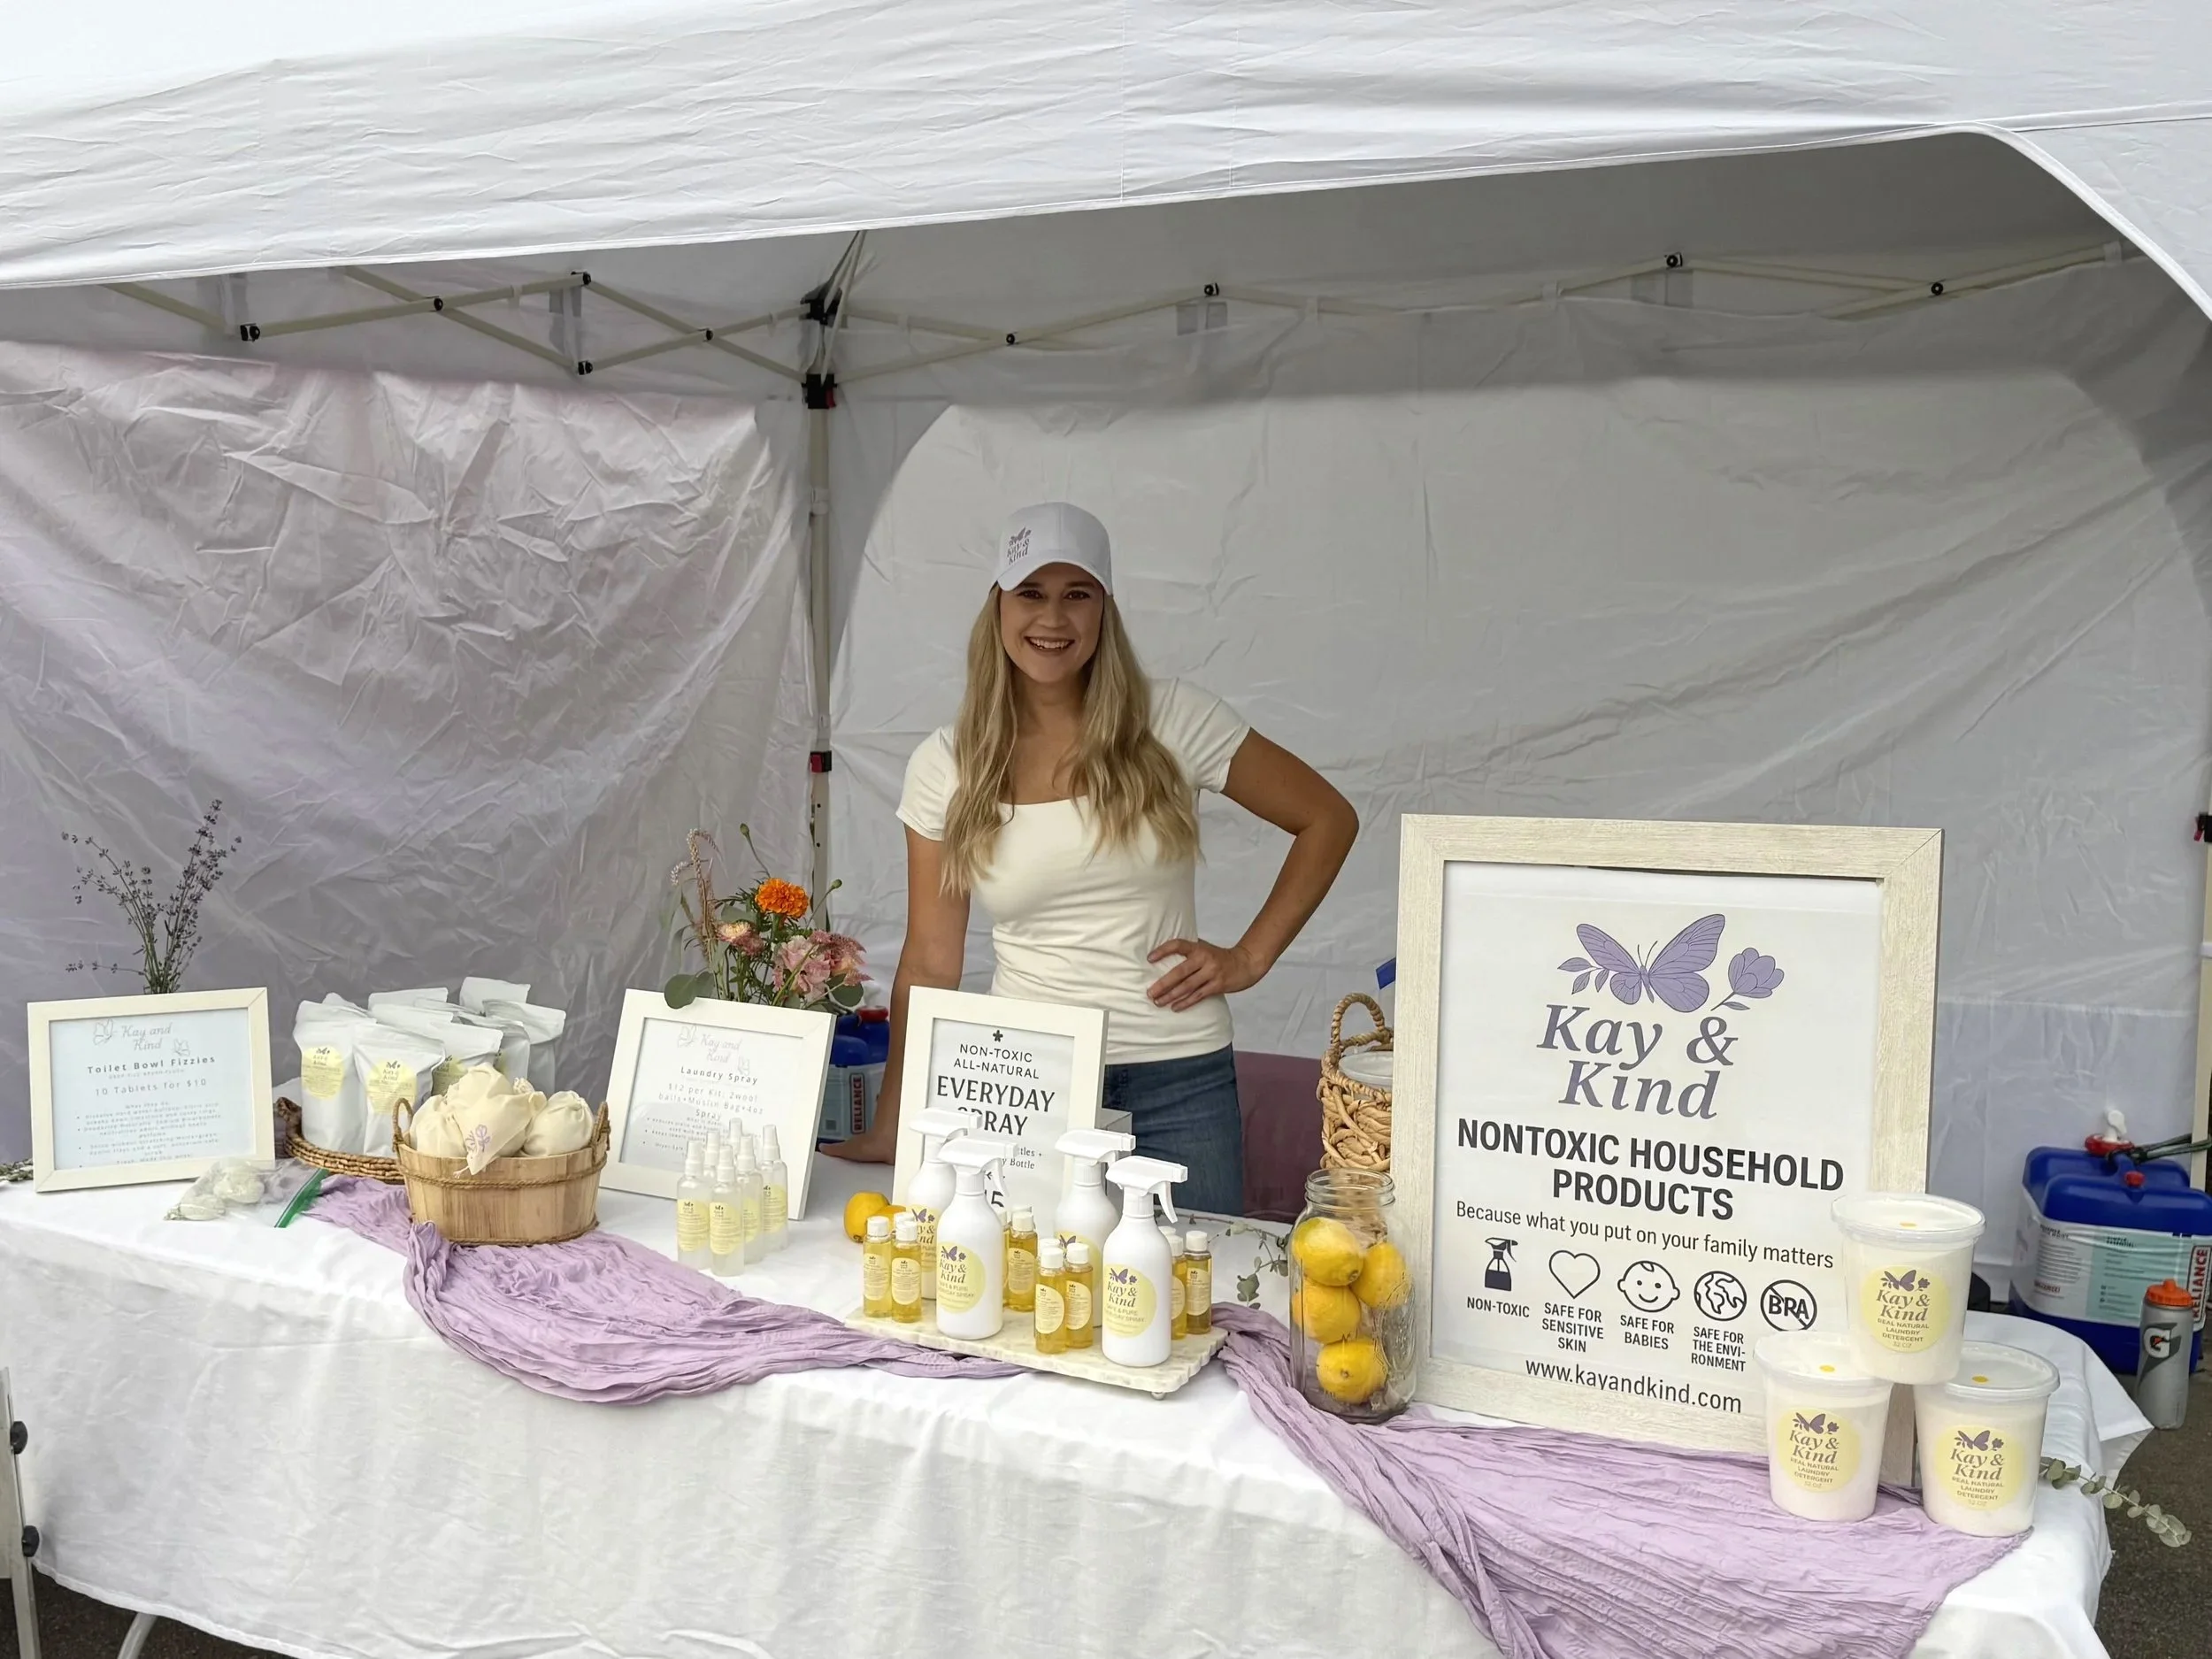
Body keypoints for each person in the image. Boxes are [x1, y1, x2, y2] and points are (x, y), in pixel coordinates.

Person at [826, 502, 1356, 1213]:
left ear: (1106, 608)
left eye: (1078, 594)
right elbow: (928, 962)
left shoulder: (1173, 720)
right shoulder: (947, 763)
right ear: (998, 607)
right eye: (1031, 593)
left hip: (1179, 1082)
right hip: (1024, 1085)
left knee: (1191, 1306)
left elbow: (1327, 817)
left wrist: (1250, 957)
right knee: (1029, 1307)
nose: (1053, 618)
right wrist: (892, 1126)